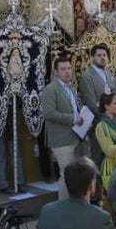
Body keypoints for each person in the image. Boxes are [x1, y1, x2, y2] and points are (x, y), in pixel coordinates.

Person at [40, 58, 85, 200]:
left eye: (68, 68)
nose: (67, 72)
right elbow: (49, 113)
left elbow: (75, 109)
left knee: (76, 173)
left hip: (75, 135)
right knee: (66, 174)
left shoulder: (71, 88)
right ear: (56, 72)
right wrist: (72, 119)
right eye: (63, 69)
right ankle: (64, 206)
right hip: (61, 139)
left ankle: (76, 203)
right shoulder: (50, 89)